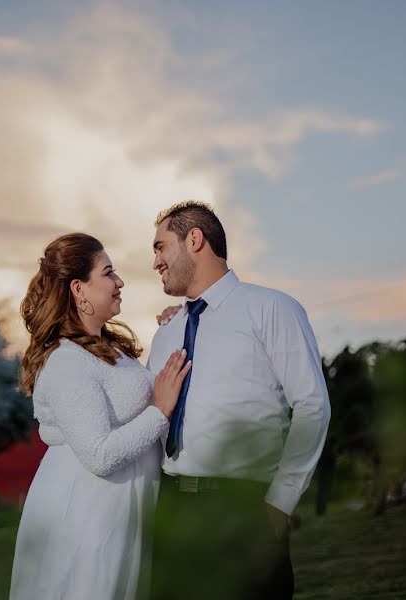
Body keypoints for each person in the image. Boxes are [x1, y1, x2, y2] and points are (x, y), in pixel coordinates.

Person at [147, 201, 331, 599]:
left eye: (161, 247)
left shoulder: (272, 308)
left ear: (194, 239)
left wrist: (282, 501)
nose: (156, 262)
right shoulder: (165, 333)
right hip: (171, 510)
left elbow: (312, 405)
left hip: (244, 509)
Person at [9, 233, 192, 600]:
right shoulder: (65, 361)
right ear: (79, 289)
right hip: (86, 516)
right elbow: (100, 454)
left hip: (119, 510)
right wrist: (161, 411)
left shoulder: (107, 349)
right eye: (109, 273)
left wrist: (177, 324)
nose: (120, 282)